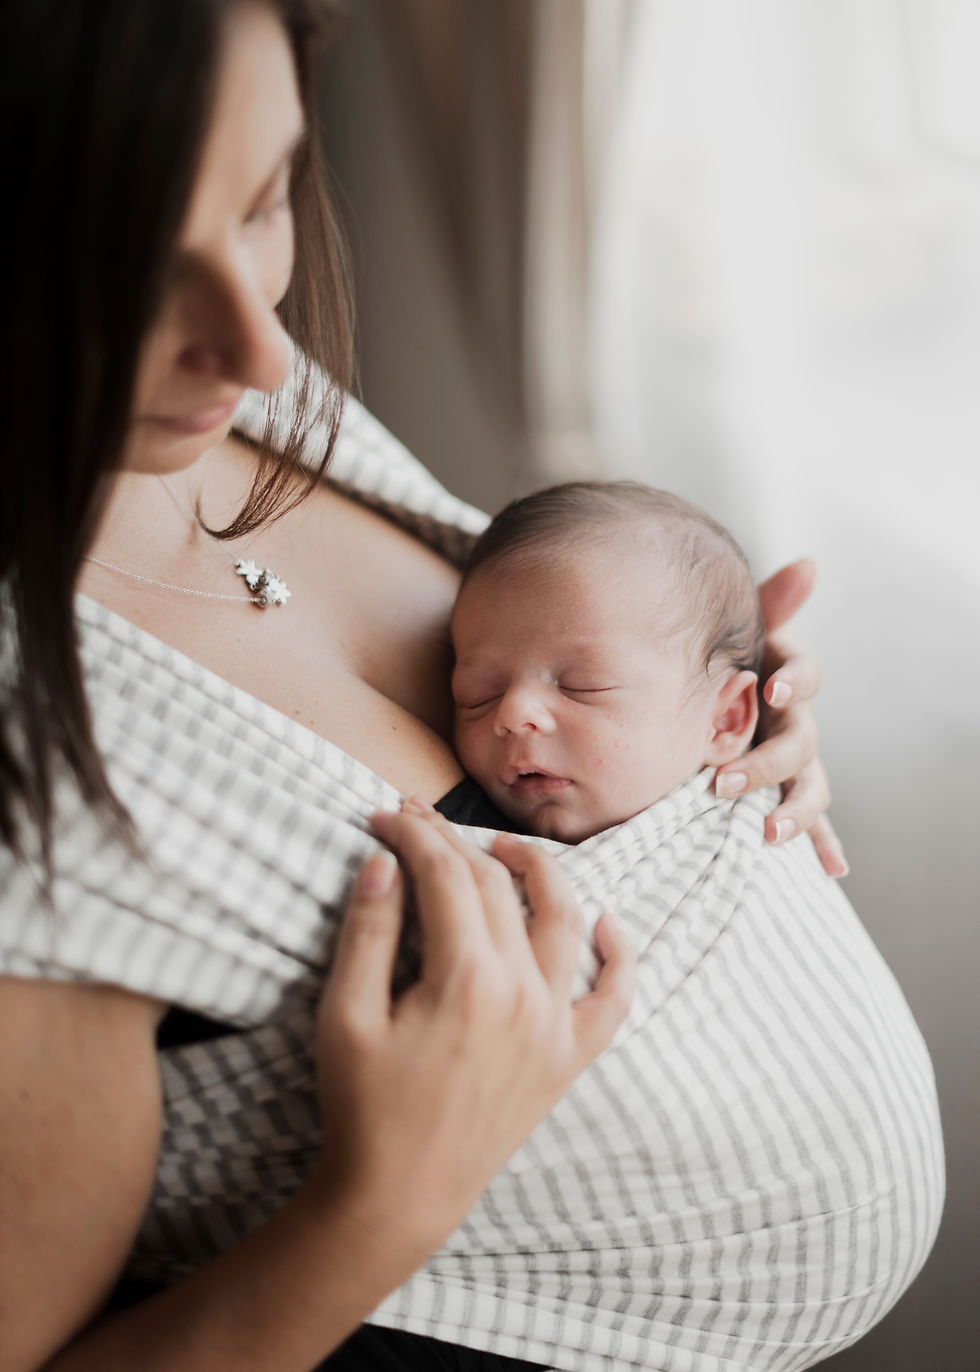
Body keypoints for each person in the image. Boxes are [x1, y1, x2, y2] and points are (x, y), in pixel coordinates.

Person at [0, 2, 876, 1370]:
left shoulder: (224, 406)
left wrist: (704, 712)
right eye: (118, 276)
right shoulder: (27, 775)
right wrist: (390, 1193)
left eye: (258, 200)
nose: (259, 344)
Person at [448, 480, 768, 842]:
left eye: (584, 684)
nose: (512, 713)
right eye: (478, 694)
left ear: (726, 719)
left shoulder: (742, 845)